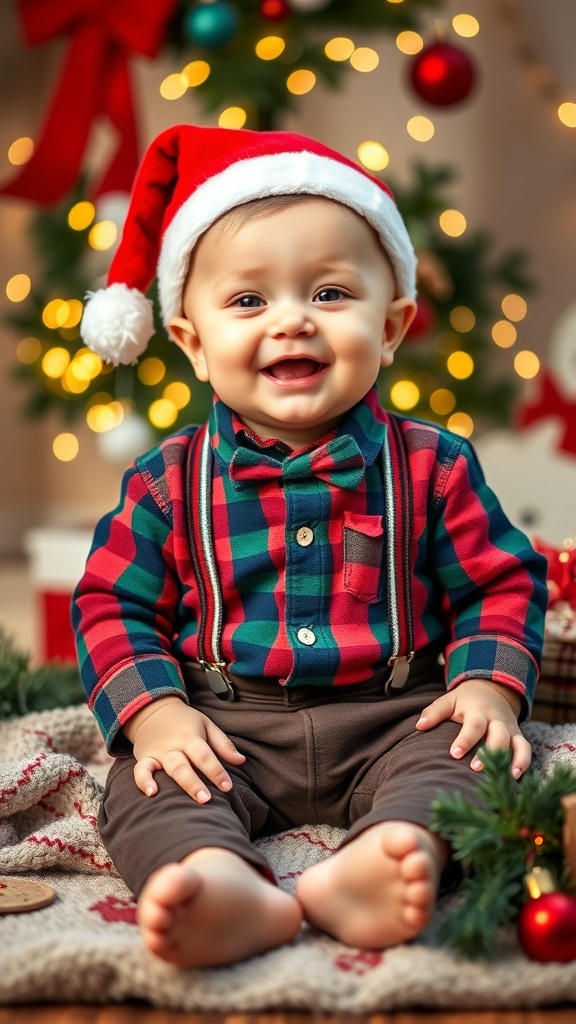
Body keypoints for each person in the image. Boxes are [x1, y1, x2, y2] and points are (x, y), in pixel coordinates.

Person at [73, 123, 548, 969]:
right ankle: (215, 876)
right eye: (248, 301)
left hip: (397, 715)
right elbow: (114, 604)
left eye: (330, 294)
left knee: (475, 762)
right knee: (147, 787)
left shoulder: (434, 465)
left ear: (393, 324)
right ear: (190, 341)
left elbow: (500, 584)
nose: (291, 320)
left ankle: (388, 857)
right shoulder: (166, 480)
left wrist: (488, 688)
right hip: (227, 725)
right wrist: (155, 713)